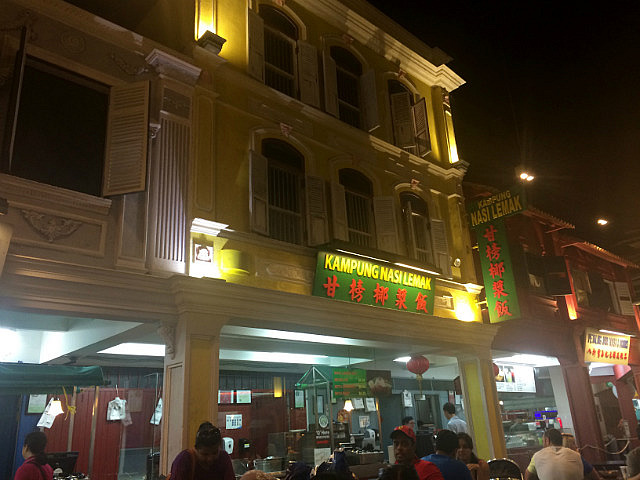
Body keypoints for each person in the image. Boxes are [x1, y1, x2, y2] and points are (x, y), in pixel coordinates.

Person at [169, 421, 234, 480]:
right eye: (205, 454)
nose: (210, 458)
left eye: (215, 453)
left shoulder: (223, 458)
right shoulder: (184, 460)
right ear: (195, 449)